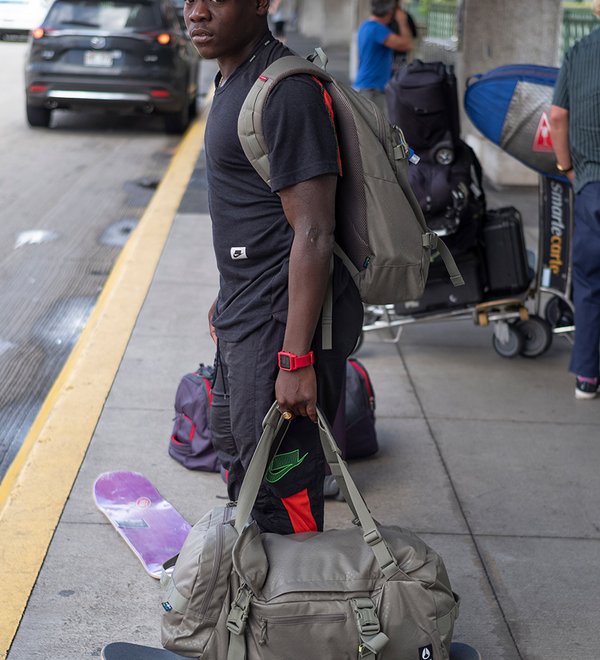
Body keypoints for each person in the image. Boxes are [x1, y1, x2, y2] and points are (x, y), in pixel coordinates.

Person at [184, 0, 363, 534]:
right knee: (240, 456)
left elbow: (314, 231)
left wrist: (295, 358)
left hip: (277, 326)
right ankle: (256, 590)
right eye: (188, 0)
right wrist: (229, 290)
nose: (195, 13)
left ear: (263, 2)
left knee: (282, 487)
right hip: (246, 313)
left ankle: (294, 602)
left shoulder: (286, 92)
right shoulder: (232, 79)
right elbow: (257, 211)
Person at [550, 0, 600, 400]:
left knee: (588, 281)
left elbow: (557, 116)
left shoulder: (579, 52)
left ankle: (587, 376)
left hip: (591, 185)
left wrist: (568, 167)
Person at [353, 0, 413, 115]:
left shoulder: (365, 25)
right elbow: (407, 44)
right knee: (377, 130)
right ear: (391, 12)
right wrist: (402, 21)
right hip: (372, 89)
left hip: (365, 86)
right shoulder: (378, 29)